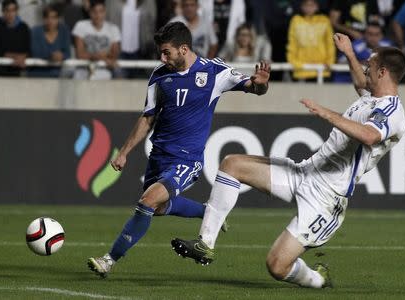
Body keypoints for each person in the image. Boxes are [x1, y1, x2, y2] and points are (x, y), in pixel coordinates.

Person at [172, 32, 405, 289]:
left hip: (326, 199)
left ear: (383, 72)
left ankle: (318, 279)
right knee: (232, 164)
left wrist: (327, 113)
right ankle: (205, 244)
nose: (365, 69)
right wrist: (349, 53)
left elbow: (370, 136)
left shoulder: (392, 111)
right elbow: (361, 81)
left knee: (276, 266)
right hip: (305, 172)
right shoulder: (372, 96)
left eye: (370, 66)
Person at [87, 21, 271, 278]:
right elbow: (147, 117)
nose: (162, 58)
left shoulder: (215, 71)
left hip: (187, 160)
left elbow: (254, 88)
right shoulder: (160, 75)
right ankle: (209, 211)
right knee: (158, 207)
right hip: (159, 155)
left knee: (147, 201)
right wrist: (124, 151)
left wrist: (261, 83)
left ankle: (108, 260)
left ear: (183, 49)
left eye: (167, 52)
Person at [286, 0, 335, 81]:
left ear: (317, 7)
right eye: (306, 5)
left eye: (312, 5)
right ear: (302, 7)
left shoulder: (324, 20)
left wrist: (329, 61)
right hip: (301, 69)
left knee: (321, 94)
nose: (309, 8)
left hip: (322, 69)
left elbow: (330, 43)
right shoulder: (296, 20)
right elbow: (292, 43)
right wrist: (293, 62)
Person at [72, 0, 122, 80]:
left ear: (105, 12)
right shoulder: (80, 26)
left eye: (101, 11)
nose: (98, 15)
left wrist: (92, 56)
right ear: (89, 12)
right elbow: (80, 54)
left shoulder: (113, 29)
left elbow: (114, 55)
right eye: (94, 12)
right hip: (82, 72)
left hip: (104, 73)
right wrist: (99, 56)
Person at [29, 4, 71, 78]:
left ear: (58, 19)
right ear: (43, 19)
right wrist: (51, 56)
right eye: (47, 17)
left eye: (53, 18)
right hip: (36, 75)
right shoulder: (35, 31)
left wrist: (62, 56)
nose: (50, 21)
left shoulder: (64, 31)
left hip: (57, 76)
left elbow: (67, 54)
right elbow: (35, 53)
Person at [0, 0, 30, 76]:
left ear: (17, 11)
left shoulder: (24, 28)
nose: (10, 14)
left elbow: (28, 48)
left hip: (18, 72)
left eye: (13, 10)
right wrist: (12, 56)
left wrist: (23, 56)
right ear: (3, 12)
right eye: (7, 10)